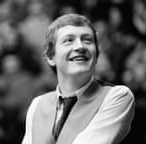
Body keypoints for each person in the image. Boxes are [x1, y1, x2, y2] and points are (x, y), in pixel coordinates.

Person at [21, 13, 135, 144]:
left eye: (87, 40)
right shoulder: (37, 105)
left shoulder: (117, 96)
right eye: (69, 40)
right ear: (51, 57)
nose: (80, 46)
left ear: (97, 55)